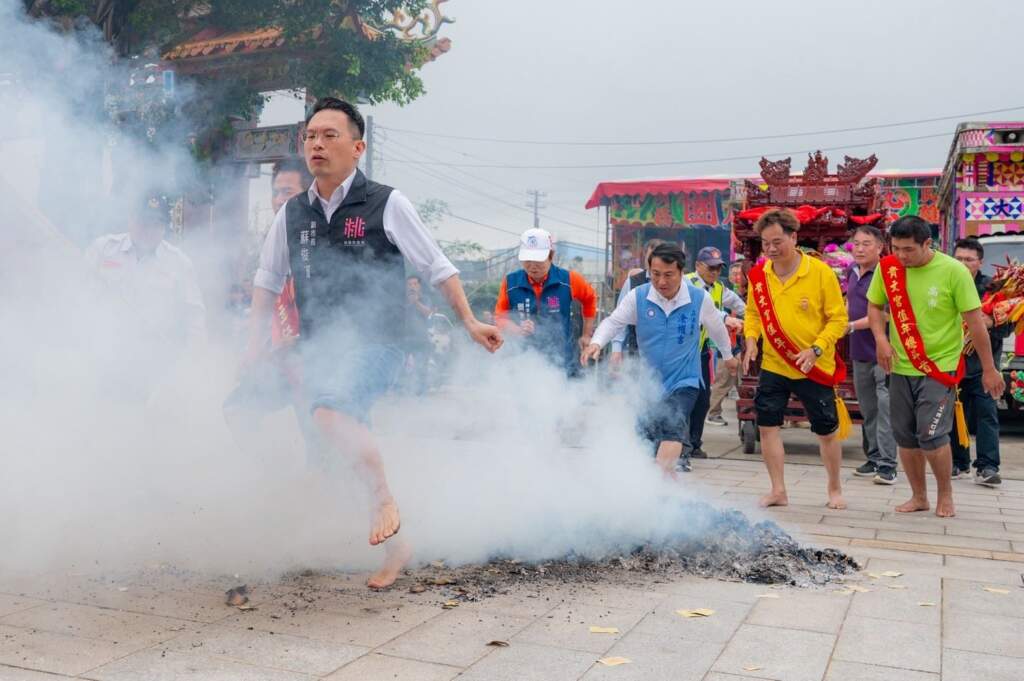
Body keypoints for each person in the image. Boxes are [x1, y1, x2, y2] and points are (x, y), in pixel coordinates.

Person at [246, 97, 502, 588]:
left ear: (358, 147)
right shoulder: (292, 213)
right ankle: (393, 544)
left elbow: (437, 266)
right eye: (310, 136)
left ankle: (385, 498)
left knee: (331, 410)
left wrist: (468, 321)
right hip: (321, 348)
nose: (316, 144)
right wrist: (255, 343)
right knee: (327, 445)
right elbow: (267, 279)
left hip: (382, 341)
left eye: (329, 135)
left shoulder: (388, 203)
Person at [867, 216, 1004, 518]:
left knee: (931, 435)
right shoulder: (888, 268)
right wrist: (880, 339)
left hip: (938, 368)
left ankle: (946, 494)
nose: (901, 256)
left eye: (909, 250)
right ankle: (919, 496)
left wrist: (989, 369)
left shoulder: (953, 271)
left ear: (927, 244)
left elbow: (976, 324)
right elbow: (875, 306)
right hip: (900, 366)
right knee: (905, 436)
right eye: (896, 249)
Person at [582, 243, 737, 474]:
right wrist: (596, 342)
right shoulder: (639, 296)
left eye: (668, 275)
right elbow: (614, 322)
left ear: (681, 272)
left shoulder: (697, 298)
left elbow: (716, 327)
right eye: (655, 274)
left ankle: (660, 484)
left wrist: (728, 356)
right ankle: (664, 484)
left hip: (684, 379)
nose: (661, 282)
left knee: (673, 426)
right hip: (648, 382)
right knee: (646, 439)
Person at [742, 209, 850, 510]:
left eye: (777, 241)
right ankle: (778, 490)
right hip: (774, 364)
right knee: (767, 426)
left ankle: (834, 489)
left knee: (826, 430)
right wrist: (751, 340)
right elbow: (752, 314)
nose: (771, 249)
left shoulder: (819, 272)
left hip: (813, 366)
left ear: (794, 237)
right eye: (766, 243)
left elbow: (838, 319)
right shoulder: (760, 276)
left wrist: (816, 349)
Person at [223, 159, 320, 466]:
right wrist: (254, 350)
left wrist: (302, 340)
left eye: (288, 192)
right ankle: (271, 479)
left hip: (319, 360)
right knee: (237, 409)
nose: (279, 200)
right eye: (275, 192)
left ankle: (336, 498)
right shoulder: (272, 239)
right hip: (281, 359)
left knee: (321, 445)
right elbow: (265, 300)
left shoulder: (325, 237)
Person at [85, 193, 206, 397]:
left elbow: (194, 315)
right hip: (104, 354)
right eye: (143, 221)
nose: (147, 229)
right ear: (131, 219)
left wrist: (193, 362)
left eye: (155, 223)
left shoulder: (179, 263)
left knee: (140, 418)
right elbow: (79, 292)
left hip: (153, 362)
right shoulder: (103, 249)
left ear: (164, 227)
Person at [494, 228, 597, 376]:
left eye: (537, 260)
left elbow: (590, 299)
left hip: (562, 361)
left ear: (551, 255)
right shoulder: (510, 283)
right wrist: (517, 329)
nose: (532, 266)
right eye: (527, 260)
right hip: (523, 360)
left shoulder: (569, 280)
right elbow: (499, 317)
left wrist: (586, 334)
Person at [950, 238, 1007, 486]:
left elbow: (1008, 325)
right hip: (952, 362)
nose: (963, 264)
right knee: (952, 414)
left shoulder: (992, 288)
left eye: (969, 259)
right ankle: (958, 462)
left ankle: (987, 466)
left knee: (987, 414)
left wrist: (992, 323)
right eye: (958, 258)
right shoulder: (946, 283)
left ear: (979, 262)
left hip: (985, 365)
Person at [846, 225, 898, 485]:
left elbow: (887, 314)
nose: (859, 248)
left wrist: (852, 326)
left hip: (884, 351)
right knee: (868, 409)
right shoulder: (851, 272)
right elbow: (849, 306)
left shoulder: (888, 274)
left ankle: (889, 464)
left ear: (880, 247)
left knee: (886, 408)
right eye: (856, 243)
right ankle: (874, 457)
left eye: (866, 244)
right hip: (859, 351)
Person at [686, 247, 745, 457]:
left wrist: (756, 318)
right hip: (681, 350)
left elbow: (740, 304)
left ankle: (694, 444)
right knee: (685, 398)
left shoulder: (719, 288)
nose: (714, 272)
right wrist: (725, 318)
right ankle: (680, 444)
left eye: (718, 267)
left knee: (703, 399)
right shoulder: (686, 283)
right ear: (698, 266)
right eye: (710, 267)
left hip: (701, 351)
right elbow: (705, 308)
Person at [610, 239, 664, 368]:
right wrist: (616, 349)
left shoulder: (676, 282)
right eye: (650, 257)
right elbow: (620, 318)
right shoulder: (633, 282)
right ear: (645, 257)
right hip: (637, 354)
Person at [706, 261, 748, 426]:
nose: (738, 277)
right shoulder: (717, 290)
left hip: (741, 343)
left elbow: (745, 310)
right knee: (724, 380)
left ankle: (745, 411)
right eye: (735, 273)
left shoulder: (733, 293)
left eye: (741, 274)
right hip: (725, 343)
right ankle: (713, 412)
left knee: (742, 379)